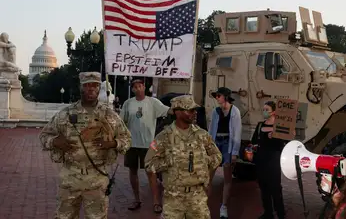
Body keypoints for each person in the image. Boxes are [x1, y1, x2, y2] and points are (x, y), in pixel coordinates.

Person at [38, 71, 132, 218]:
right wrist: (55, 141)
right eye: (87, 85)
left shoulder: (109, 115)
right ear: (81, 88)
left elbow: (127, 139)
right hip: (70, 176)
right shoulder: (65, 114)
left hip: (97, 178)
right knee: (64, 217)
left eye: (95, 85)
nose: (91, 89)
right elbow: (44, 136)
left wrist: (113, 143)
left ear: (99, 88)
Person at [145, 95, 222, 218]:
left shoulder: (202, 135)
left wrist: (204, 161)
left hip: (197, 198)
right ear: (178, 112)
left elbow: (217, 156)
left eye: (195, 110)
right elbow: (149, 164)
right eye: (190, 110)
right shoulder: (164, 137)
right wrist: (170, 161)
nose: (195, 113)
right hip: (173, 199)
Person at [120, 78, 169, 213]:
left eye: (140, 86)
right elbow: (121, 122)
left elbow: (168, 111)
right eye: (135, 87)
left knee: (151, 173)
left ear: (144, 87)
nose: (138, 88)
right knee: (132, 171)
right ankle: (136, 199)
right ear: (132, 89)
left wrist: (181, 106)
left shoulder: (153, 102)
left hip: (148, 145)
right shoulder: (128, 103)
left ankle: (156, 202)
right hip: (131, 144)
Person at [208, 87, 242, 218]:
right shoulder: (215, 111)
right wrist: (209, 148)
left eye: (219, 96)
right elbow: (211, 130)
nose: (217, 98)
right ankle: (204, 204)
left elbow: (237, 133)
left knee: (227, 177)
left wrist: (234, 152)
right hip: (216, 142)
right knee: (209, 175)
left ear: (225, 97)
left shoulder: (235, 111)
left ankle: (224, 207)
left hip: (228, 143)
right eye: (216, 96)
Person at [250, 101, 286, 219]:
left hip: (274, 160)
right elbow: (254, 140)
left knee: (275, 188)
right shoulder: (260, 125)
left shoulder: (280, 126)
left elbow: (284, 143)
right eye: (263, 109)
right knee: (263, 187)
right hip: (261, 159)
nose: (264, 112)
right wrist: (252, 147)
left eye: (267, 110)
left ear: (274, 112)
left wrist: (275, 136)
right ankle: (268, 213)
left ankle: (280, 214)